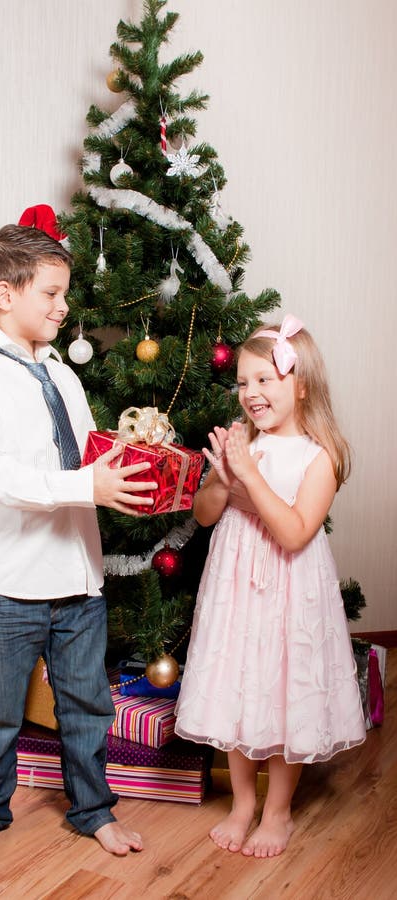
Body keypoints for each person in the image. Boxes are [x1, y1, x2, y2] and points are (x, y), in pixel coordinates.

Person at [0, 219, 158, 862]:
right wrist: (84, 487)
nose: (65, 308)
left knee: (88, 702)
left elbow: (85, 457)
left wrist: (128, 456)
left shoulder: (63, 376)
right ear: (4, 296)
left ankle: (94, 809)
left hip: (78, 576)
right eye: (53, 295)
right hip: (12, 580)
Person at [174, 314, 366, 859]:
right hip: (236, 592)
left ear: (300, 384)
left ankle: (277, 810)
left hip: (289, 592)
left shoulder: (319, 456)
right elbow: (205, 516)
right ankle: (241, 804)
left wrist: (250, 478)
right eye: (242, 382)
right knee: (241, 686)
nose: (251, 393)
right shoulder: (242, 445)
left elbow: (294, 532)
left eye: (265, 379)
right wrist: (219, 480)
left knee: (284, 692)